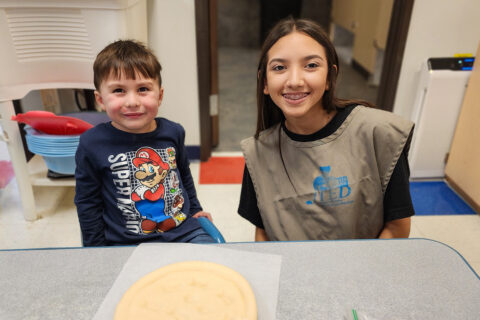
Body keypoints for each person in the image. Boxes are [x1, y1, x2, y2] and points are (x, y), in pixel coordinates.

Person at [238, 18, 415, 241]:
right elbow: (263, 232)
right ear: (264, 82)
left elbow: (397, 228)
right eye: (279, 67)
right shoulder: (258, 152)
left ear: (330, 76)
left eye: (311, 65)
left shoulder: (378, 133)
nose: (294, 81)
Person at [74, 40, 214, 246]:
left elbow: (183, 175)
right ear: (101, 100)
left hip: (184, 232)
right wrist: (96, 250)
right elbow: (88, 203)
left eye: (142, 89)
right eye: (119, 90)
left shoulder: (173, 132)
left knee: (213, 266)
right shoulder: (91, 143)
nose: (132, 101)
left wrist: (195, 209)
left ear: (160, 96)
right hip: (125, 241)